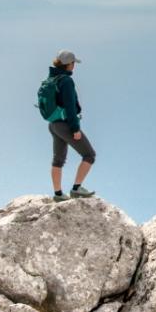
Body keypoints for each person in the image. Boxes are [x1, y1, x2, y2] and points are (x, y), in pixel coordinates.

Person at [47, 49, 96, 202]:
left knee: (58, 160)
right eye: (73, 63)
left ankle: (58, 194)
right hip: (66, 124)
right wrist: (75, 128)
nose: (74, 66)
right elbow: (70, 107)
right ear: (69, 64)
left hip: (53, 124)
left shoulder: (51, 78)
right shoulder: (66, 81)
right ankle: (76, 189)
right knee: (89, 155)